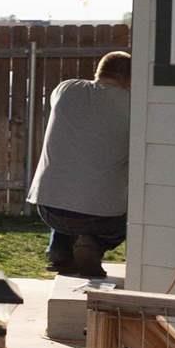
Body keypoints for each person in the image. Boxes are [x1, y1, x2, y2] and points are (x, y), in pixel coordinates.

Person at [28, 50, 130, 279]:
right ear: (129, 79)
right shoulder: (133, 105)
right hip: (103, 217)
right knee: (132, 214)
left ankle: (60, 251)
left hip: (48, 208)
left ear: (99, 70)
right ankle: (94, 243)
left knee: (69, 189)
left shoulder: (66, 89)